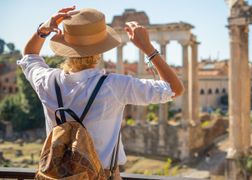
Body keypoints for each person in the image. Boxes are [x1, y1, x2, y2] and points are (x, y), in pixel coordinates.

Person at [18, 6, 184, 179]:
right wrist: (148, 48)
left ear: (65, 47)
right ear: (101, 49)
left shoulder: (46, 80)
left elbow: (29, 55)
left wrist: (42, 30)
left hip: (56, 175)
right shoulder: (115, 85)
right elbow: (174, 89)